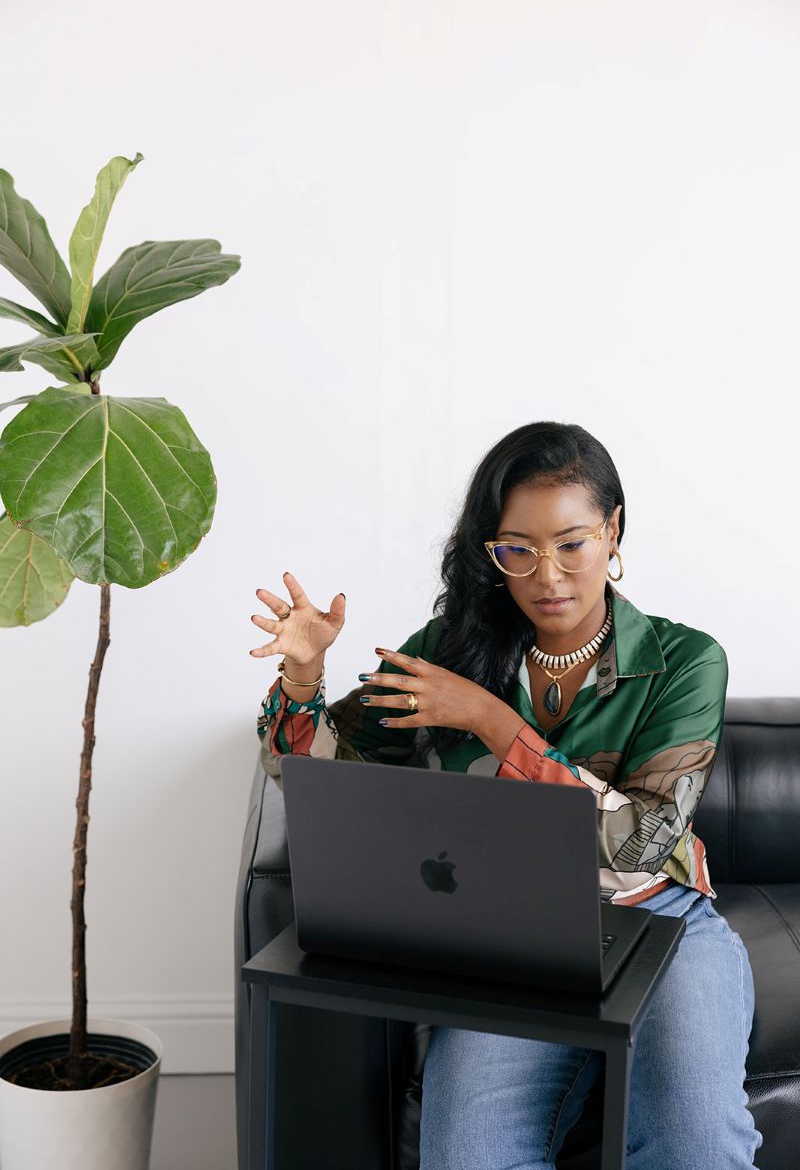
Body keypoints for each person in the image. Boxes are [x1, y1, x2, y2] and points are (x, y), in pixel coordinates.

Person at [249, 421, 763, 1170]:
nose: (546, 575)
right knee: (467, 1155)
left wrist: (490, 720)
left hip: (660, 921)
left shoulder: (685, 661)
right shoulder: (452, 649)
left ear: (613, 529)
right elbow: (324, 772)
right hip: (508, 932)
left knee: (695, 1143)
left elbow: (640, 841)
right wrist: (303, 679)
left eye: (571, 543)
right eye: (517, 549)